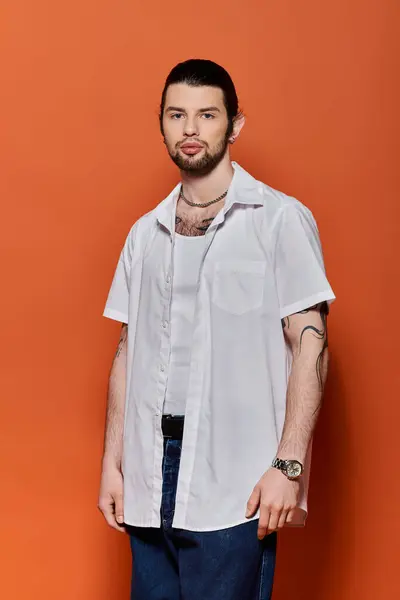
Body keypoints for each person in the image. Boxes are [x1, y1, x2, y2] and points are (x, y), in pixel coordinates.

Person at [98, 58, 336, 600]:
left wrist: (289, 466)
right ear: (160, 123)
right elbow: (127, 350)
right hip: (148, 470)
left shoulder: (278, 219)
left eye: (207, 115)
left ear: (234, 125)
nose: (190, 129)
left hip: (236, 475)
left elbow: (312, 344)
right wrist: (112, 464)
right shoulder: (144, 234)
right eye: (177, 115)